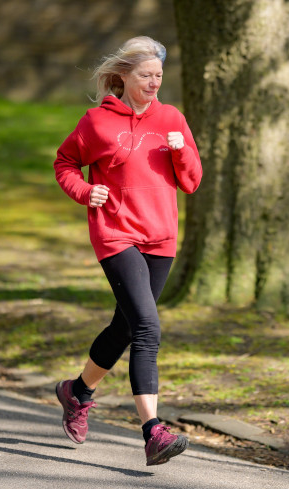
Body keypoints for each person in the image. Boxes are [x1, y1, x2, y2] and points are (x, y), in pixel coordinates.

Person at [52, 36, 202, 466]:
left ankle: (77, 391)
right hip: (116, 234)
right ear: (123, 76)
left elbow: (191, 181)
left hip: (161, 237)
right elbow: (65, 161)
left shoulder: (172, 118)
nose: (154, 82)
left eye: (158, 75)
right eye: (145, 75)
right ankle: (153, 431)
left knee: (125, 326)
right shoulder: (97, 122)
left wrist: (181, 150)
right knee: (147, 328)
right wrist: (84, 190)